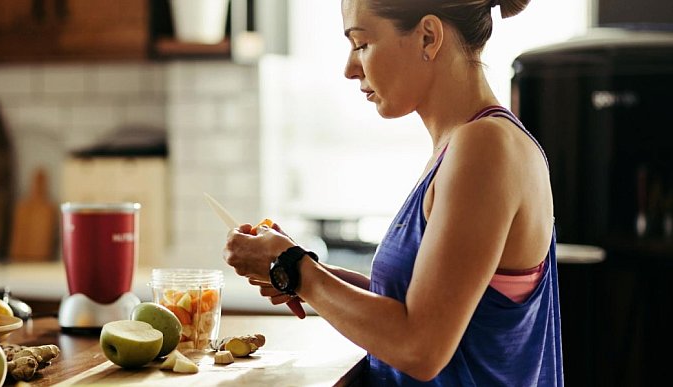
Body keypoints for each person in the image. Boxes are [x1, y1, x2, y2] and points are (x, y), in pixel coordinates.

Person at [223, 0, 563, 385]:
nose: (350, 69)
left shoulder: (485, 148)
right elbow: (424, 307)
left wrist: (295, 271)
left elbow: (420, 348)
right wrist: (307, 270)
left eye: (362, 44)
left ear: (428, 37)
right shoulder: (464, 145)